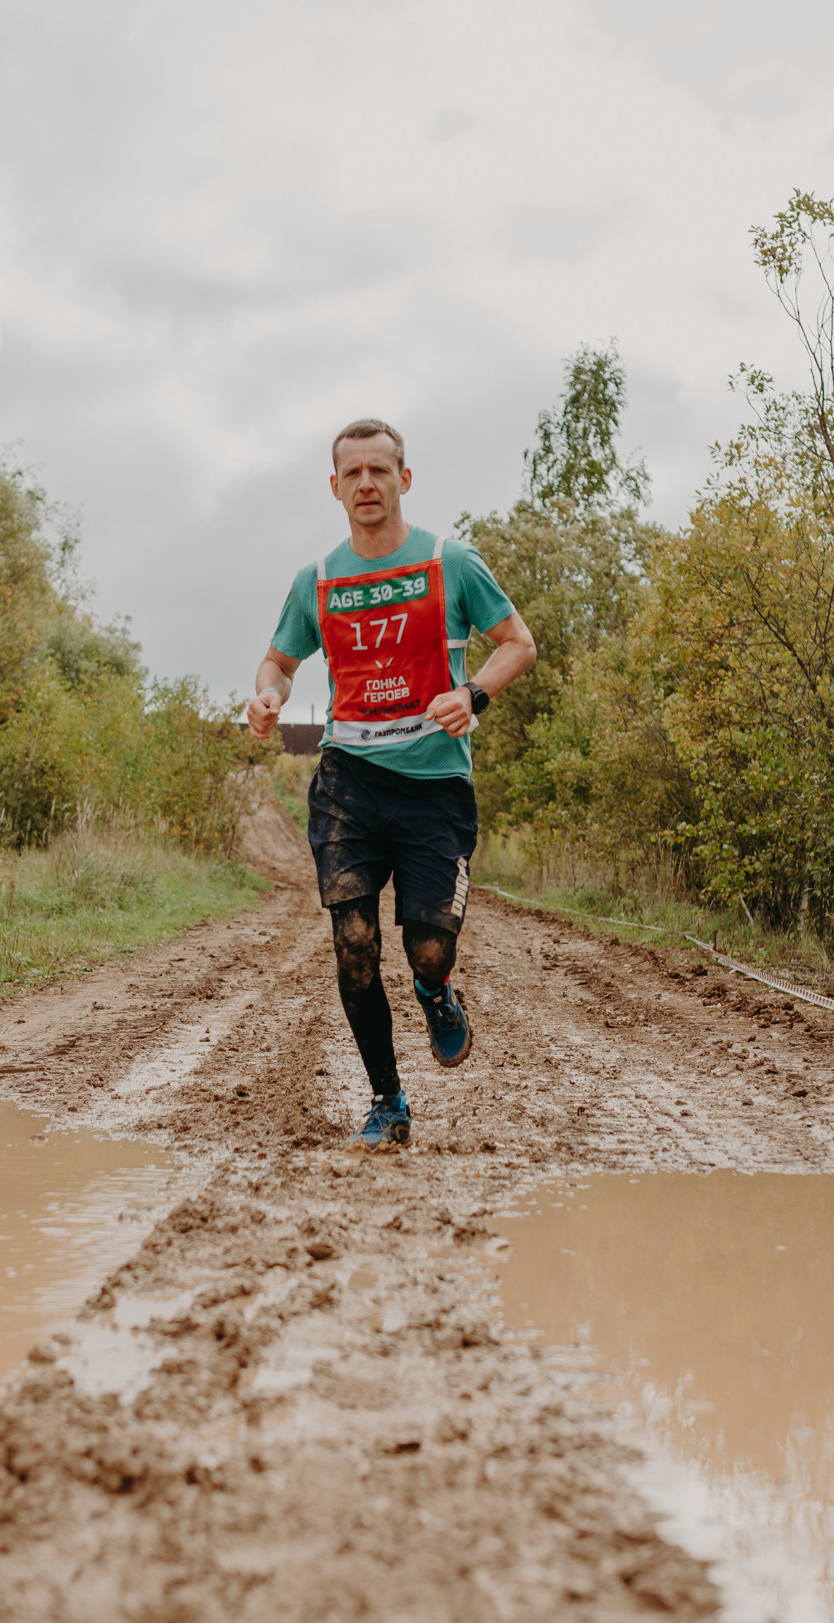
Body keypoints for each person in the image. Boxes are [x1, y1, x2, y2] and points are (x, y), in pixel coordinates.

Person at [247, 418, 538, 1146]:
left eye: (380, 470)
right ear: (335, 487)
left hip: (435, 786)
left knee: (428, 947)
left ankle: (436, 991)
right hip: (348, 784)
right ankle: (387, 1100)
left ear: (404, 479)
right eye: (354, 473)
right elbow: (280, 660)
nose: (367, 483)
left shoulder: (450, 562)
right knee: (353, 943)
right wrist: (269, 694)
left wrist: (472, 694)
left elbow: (518, 644)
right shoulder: (317, 580)